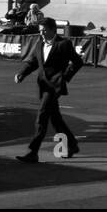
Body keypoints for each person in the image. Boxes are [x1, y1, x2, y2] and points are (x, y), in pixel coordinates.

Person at [14, 17, 84, 162]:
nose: (41, 33)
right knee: (55, 118)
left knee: (42, 116)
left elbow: (78, 62)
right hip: (43, 85)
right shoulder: (39, 44)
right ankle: (72, 144)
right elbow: (33, 62)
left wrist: (65, 76)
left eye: (44, 30)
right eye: (40, 31)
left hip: (55, 86)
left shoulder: (64, 44)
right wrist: (22, 74)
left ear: (53, 30)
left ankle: (33, 152)